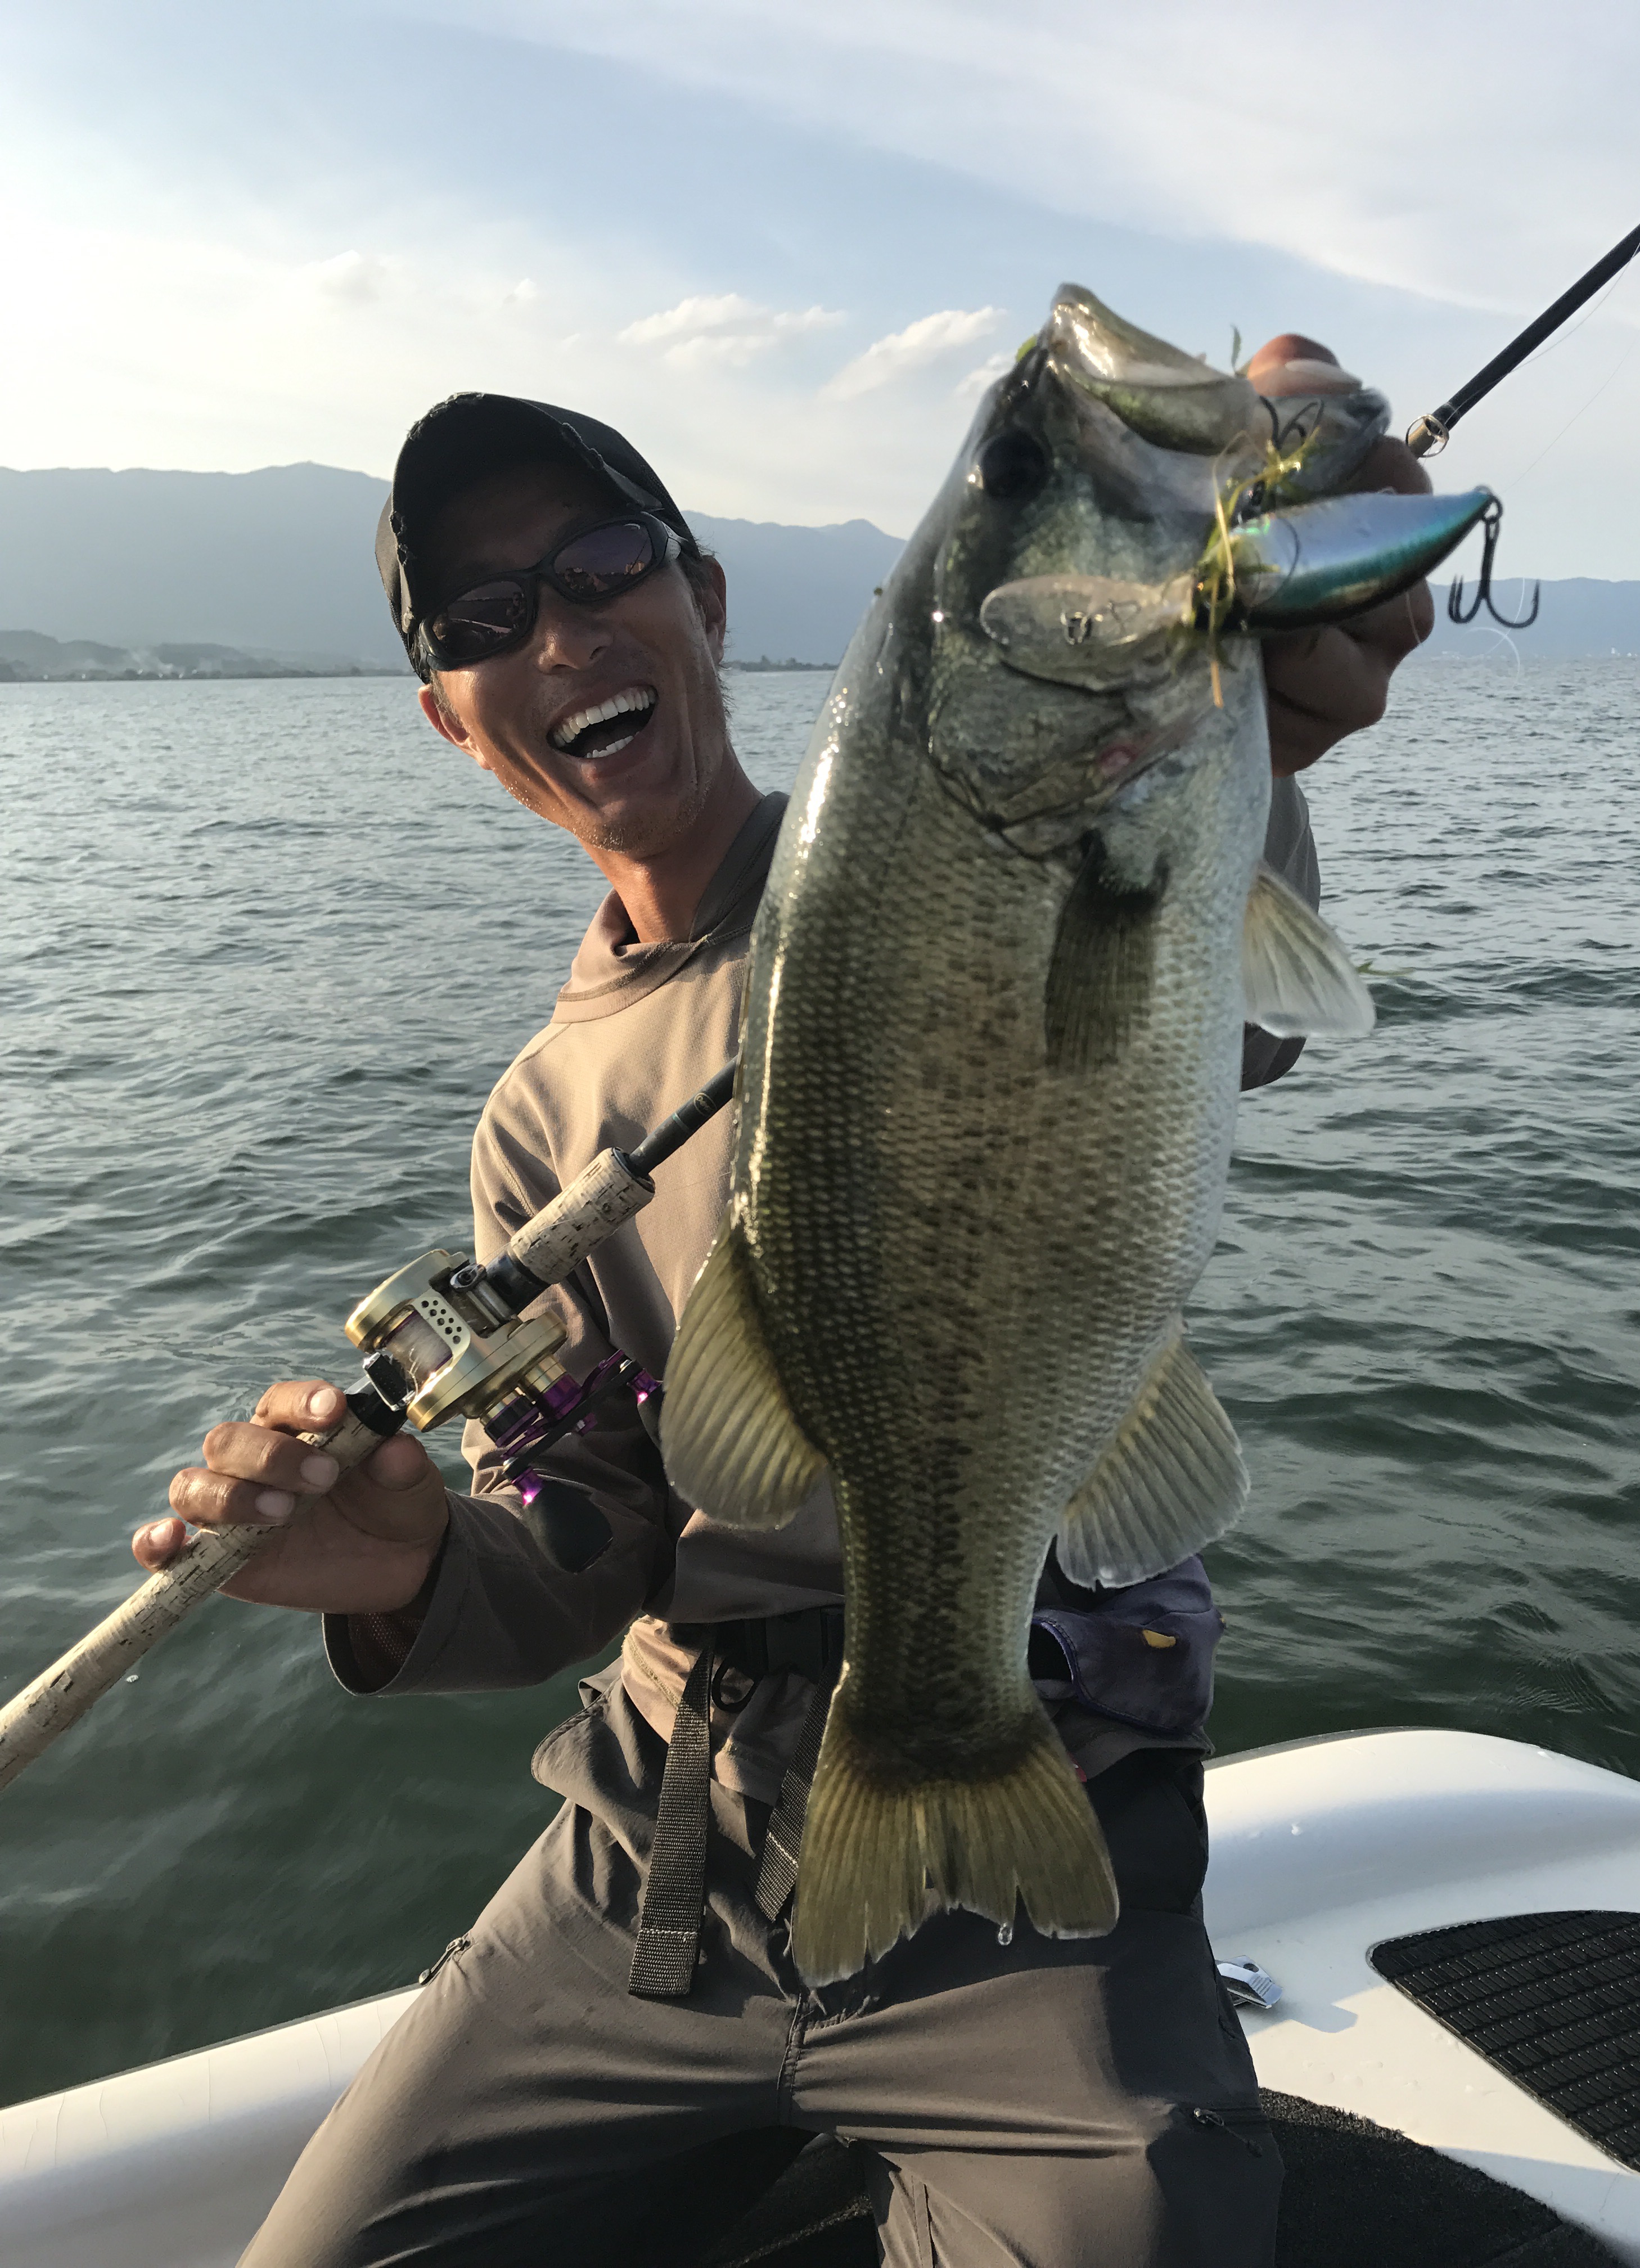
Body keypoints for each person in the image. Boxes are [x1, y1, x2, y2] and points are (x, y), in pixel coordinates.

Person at [139, 336, 1434, 2267]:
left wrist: (1275, 680)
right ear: (450, 719)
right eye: (488, 618)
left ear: (706, 598)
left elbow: (1220, 1001)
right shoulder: (537, 1124)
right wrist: (412, 1570)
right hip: (657, 1851)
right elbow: (598, 1527)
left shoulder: (987, 817)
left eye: (602, 567)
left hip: (1042, 1795)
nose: (563, 633)